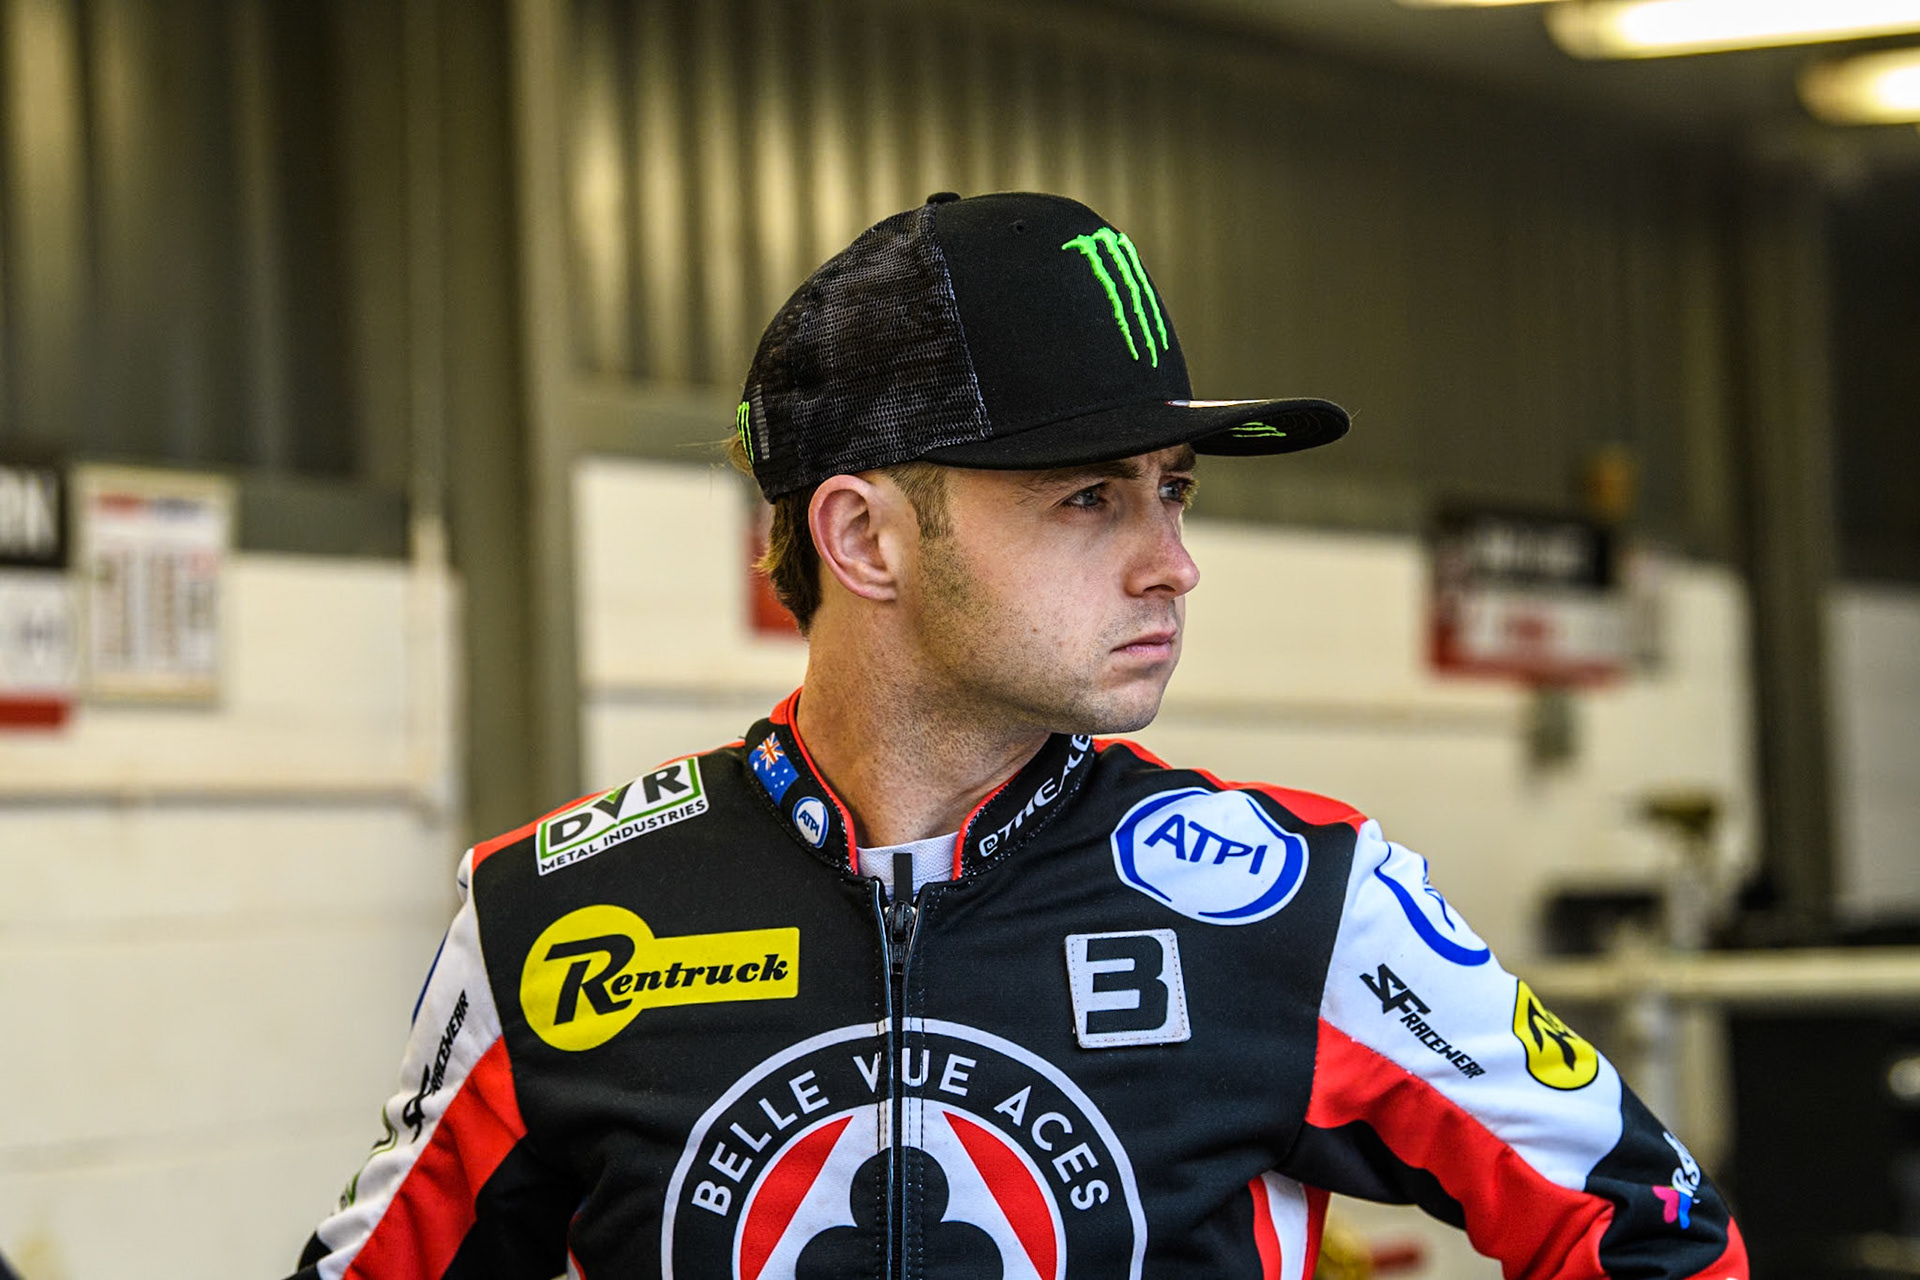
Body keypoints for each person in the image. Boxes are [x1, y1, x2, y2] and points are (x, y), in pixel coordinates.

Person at [289, 192, 1746, 1279]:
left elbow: (1660, 1231)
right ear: (862, 535)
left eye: (1175, 489)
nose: (1172, 562)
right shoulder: (557, 911)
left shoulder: (1302, 902)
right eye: (1088, 499)